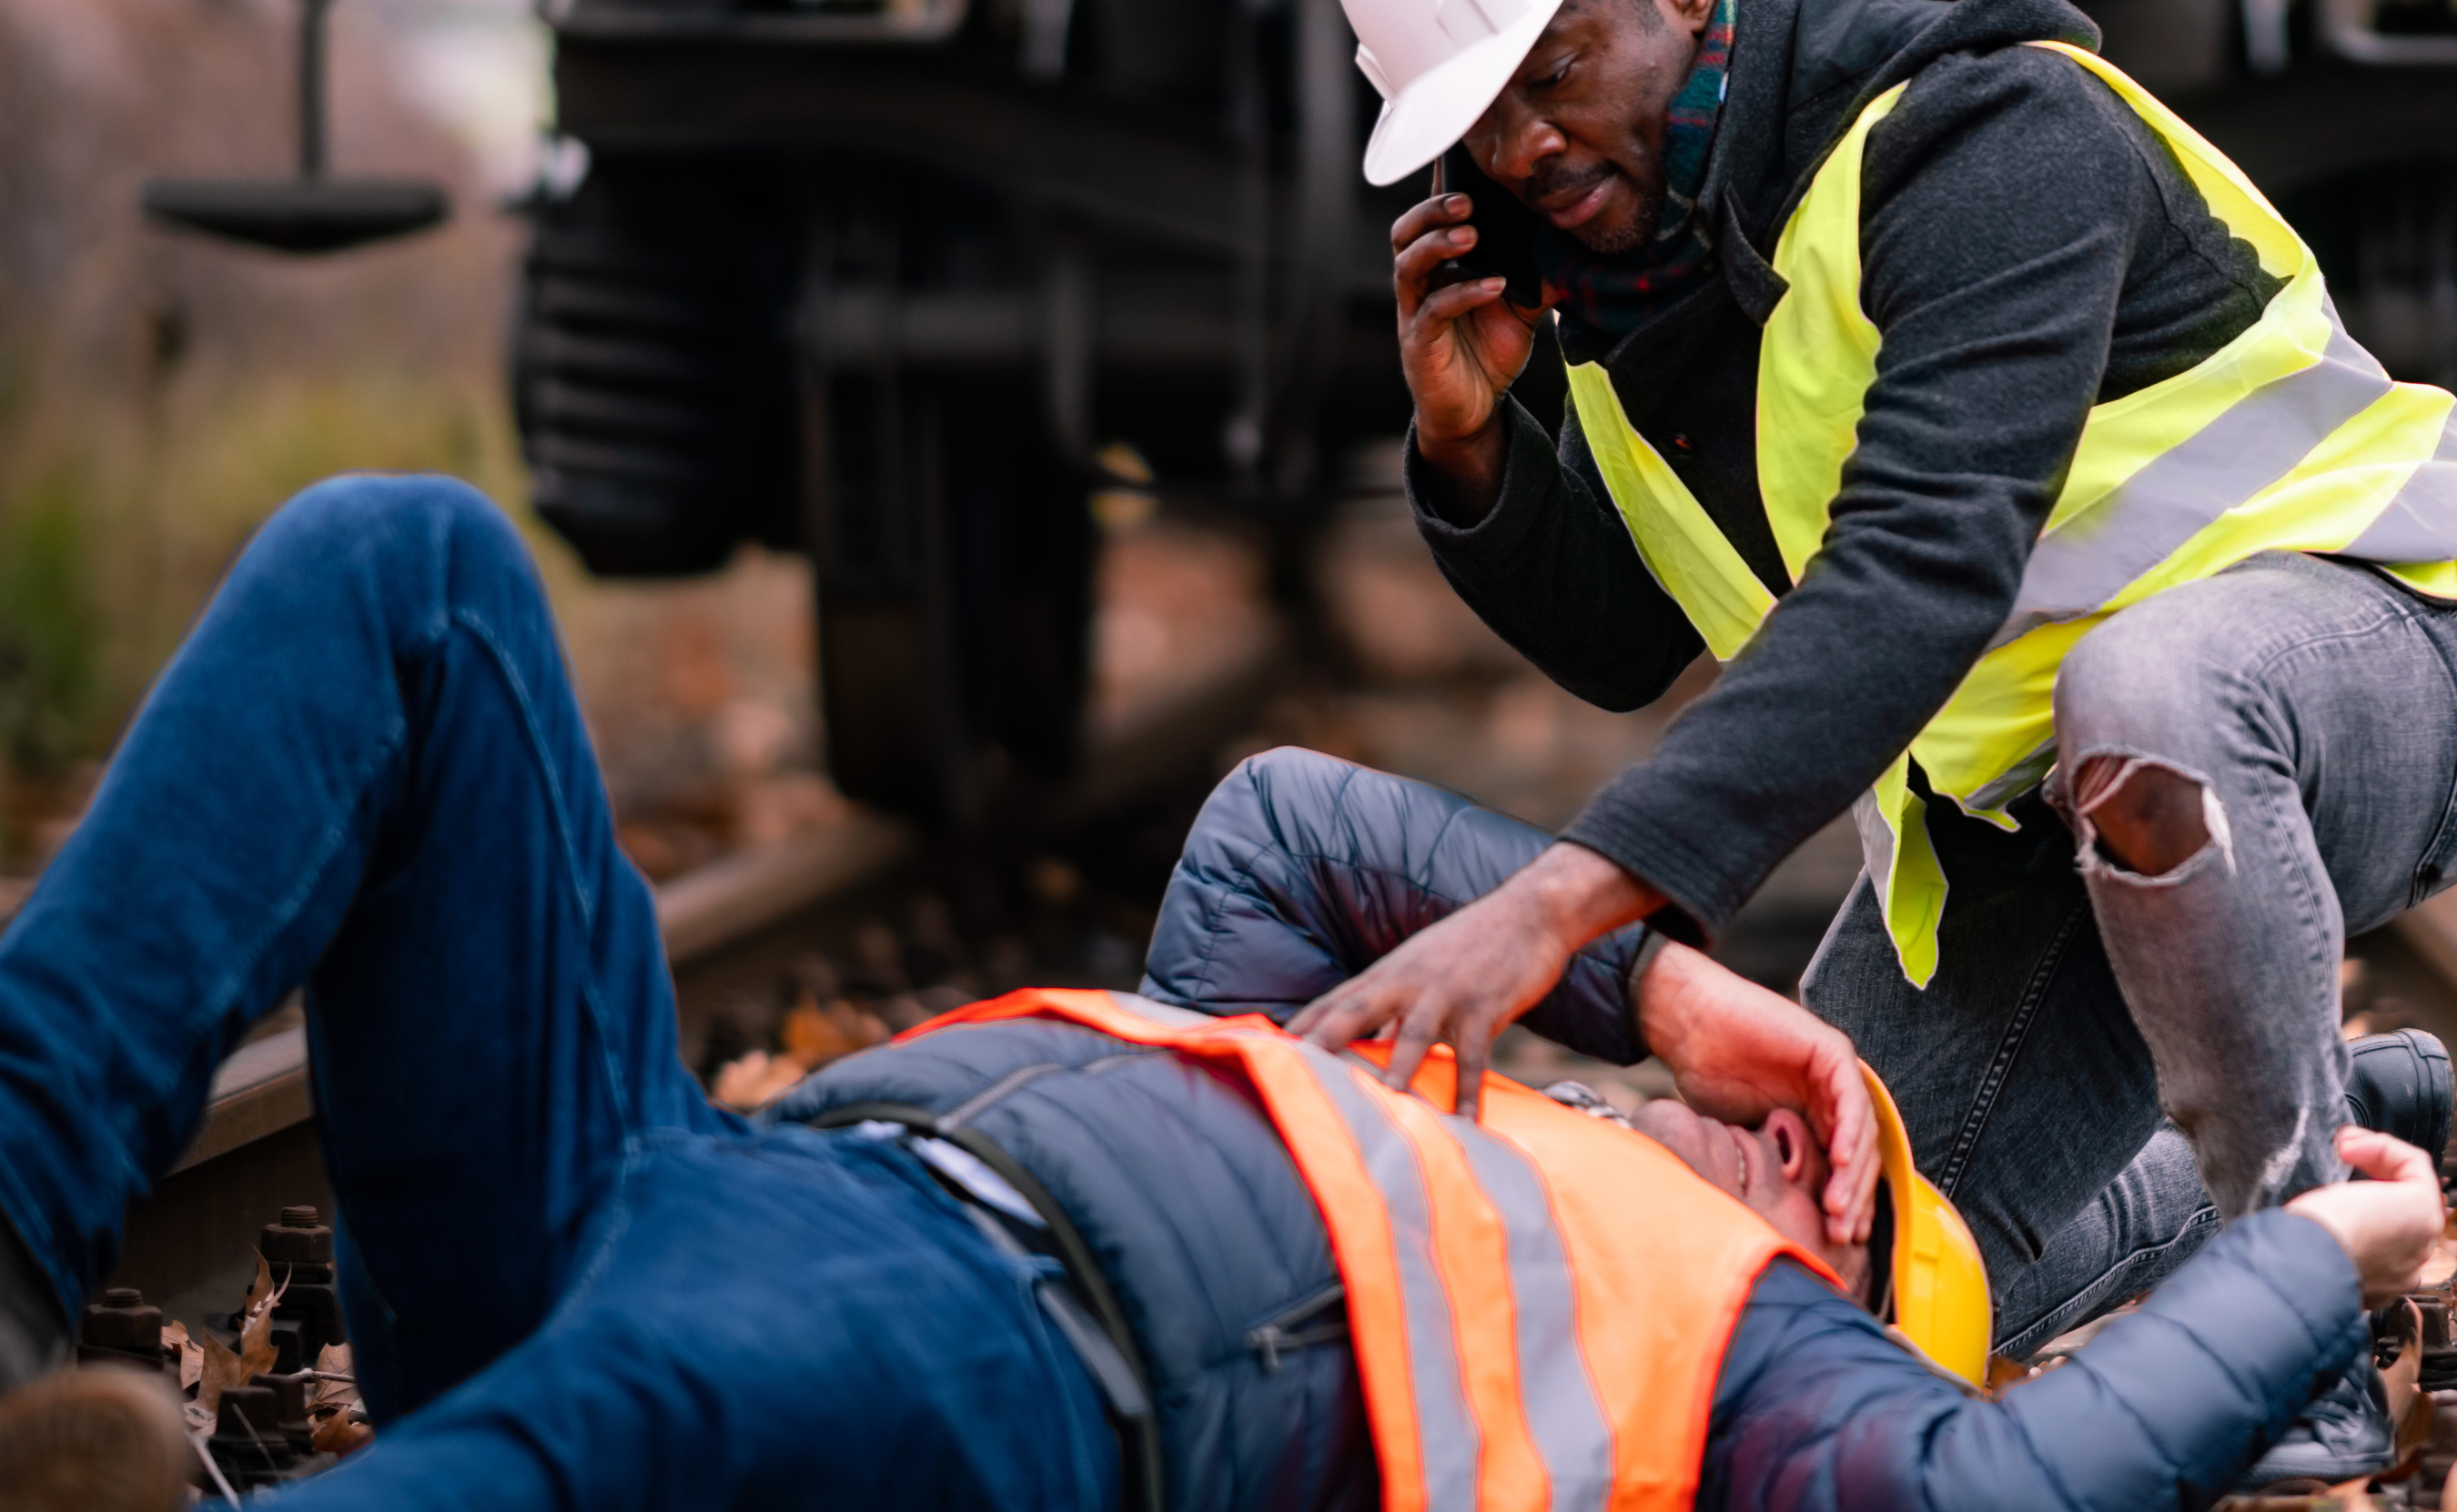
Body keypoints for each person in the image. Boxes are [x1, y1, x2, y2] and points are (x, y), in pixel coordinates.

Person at [0, 478, 2442, 1512]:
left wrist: (2306, 1256)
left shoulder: (1745, 1376)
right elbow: (1287, 817)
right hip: (670, 1187)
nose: (1794, 1147)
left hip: (988, 1372)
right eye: (1803, 1115)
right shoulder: (1354, 1064)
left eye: (1839, 1183)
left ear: (1854, 1292)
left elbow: (2013, 1476)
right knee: (407, 568)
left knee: (659, 1410)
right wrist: (1661, 990)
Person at [1303, 0, 2457, 1484]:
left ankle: (2309, 1309)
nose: (1520, 154)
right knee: (1820, 1288)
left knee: (2149, 690)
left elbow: (1921, 569)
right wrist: (1475, 446)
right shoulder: (1636, 261)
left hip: (2373, 656)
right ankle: (2337, 1139)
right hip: (2030, 823)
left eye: (1552, 78)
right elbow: (1635, 642)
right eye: (1482, 120)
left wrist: (1562, 903)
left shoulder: (1981, 130)